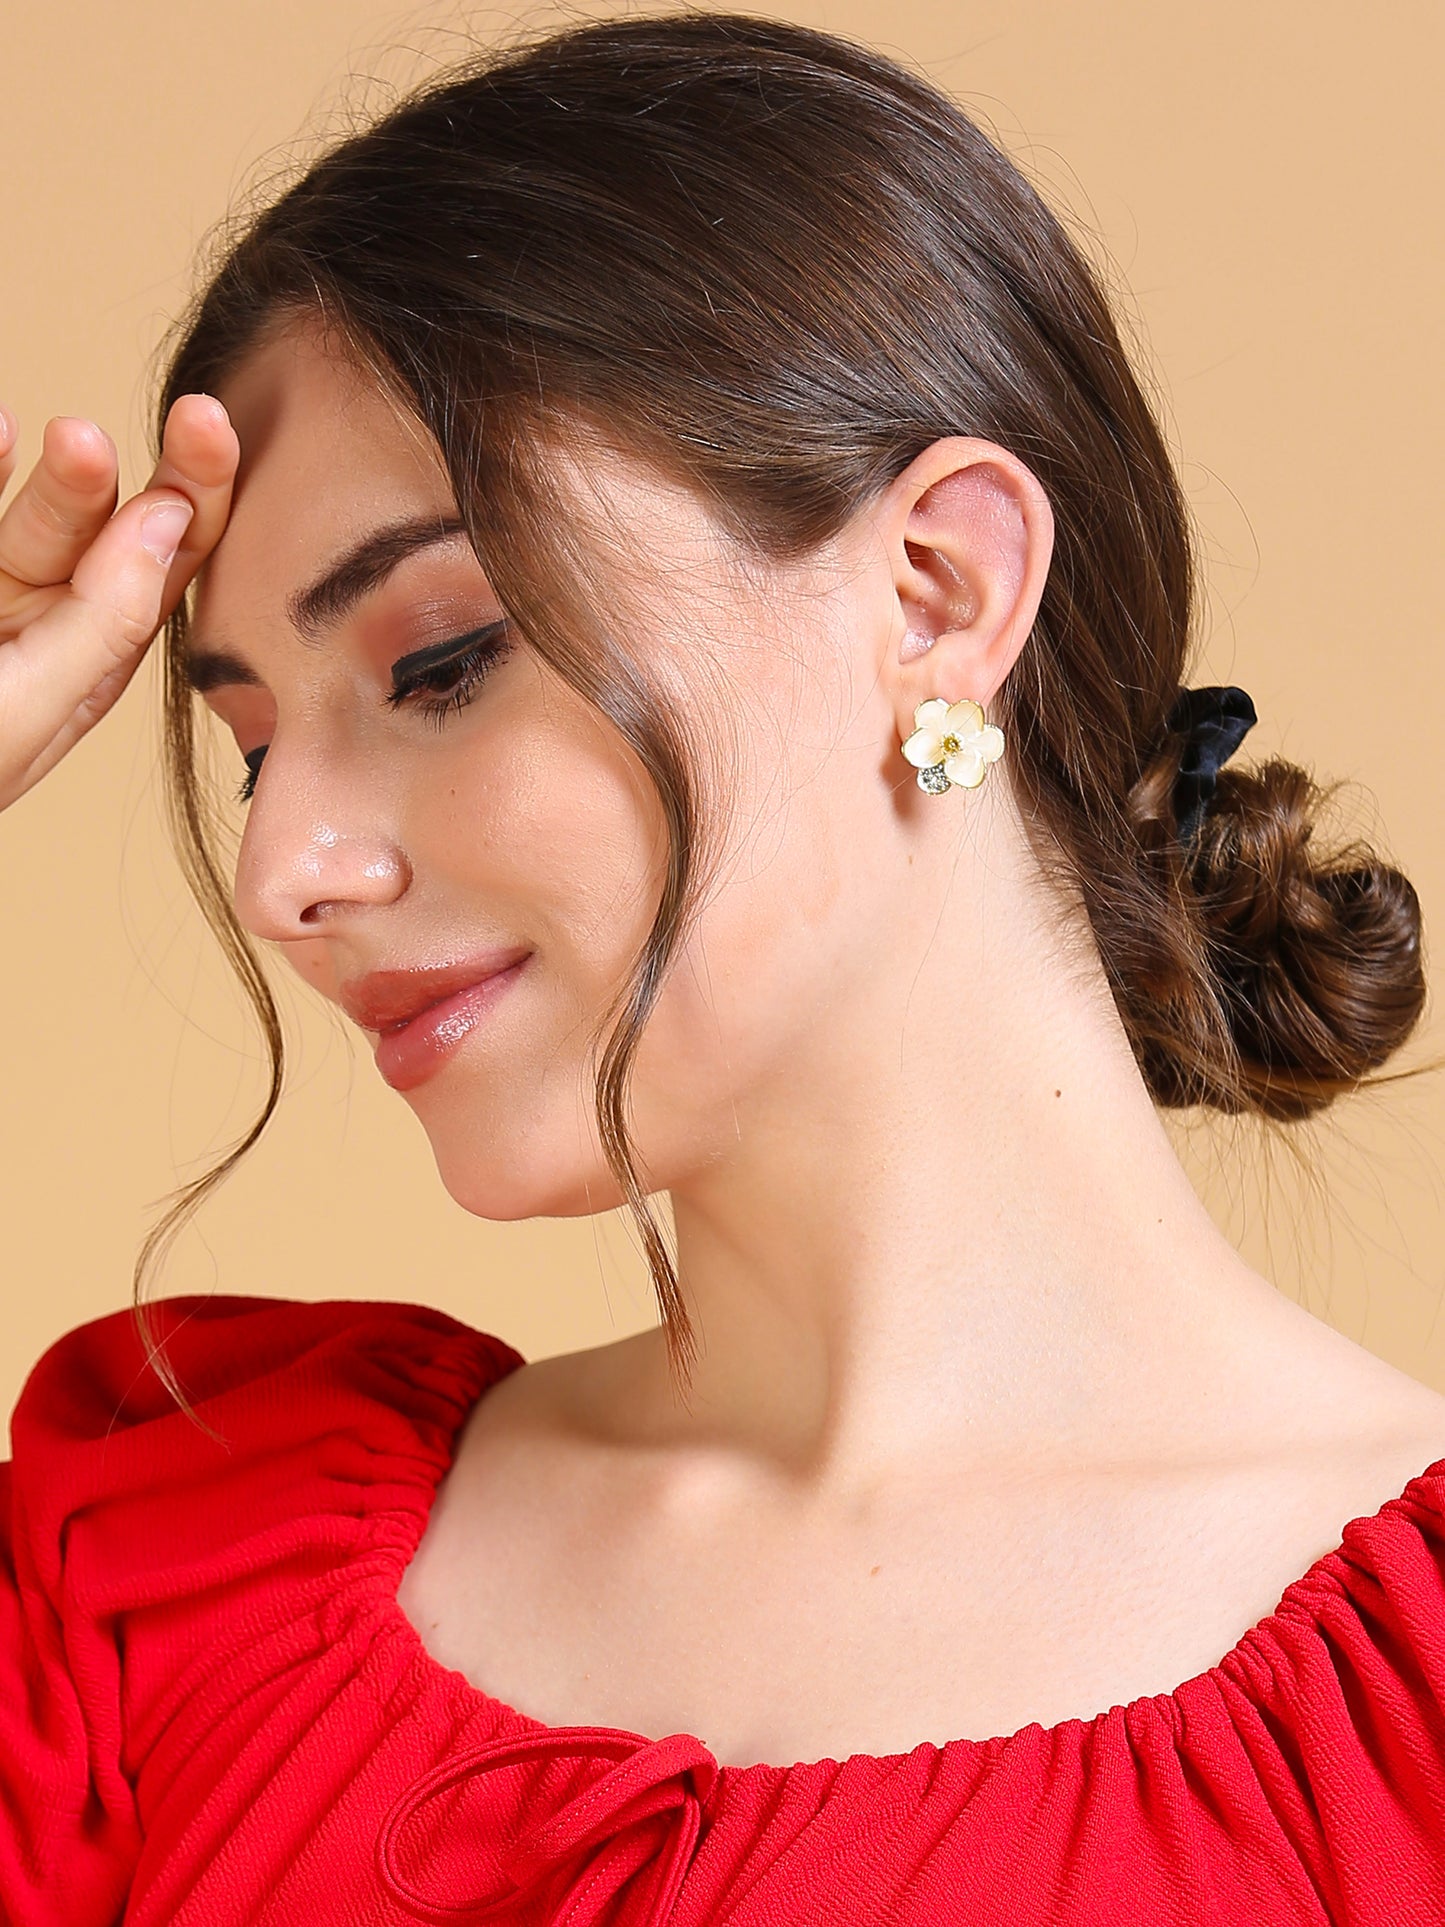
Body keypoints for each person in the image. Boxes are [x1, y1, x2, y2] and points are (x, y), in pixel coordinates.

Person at [1, 11, 1442, 1924]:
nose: (282, 870)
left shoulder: (1399, 1738)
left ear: (934, 592)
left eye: (441, 664)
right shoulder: (167, 1578)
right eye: (256, 739)